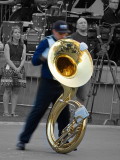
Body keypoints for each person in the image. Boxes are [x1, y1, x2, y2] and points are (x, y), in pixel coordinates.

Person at [16, 20, 71, 151]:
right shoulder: (46, 42)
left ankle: (64, 140)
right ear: (54, 32)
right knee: (38, 111)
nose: (63, 36)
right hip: (47, 83)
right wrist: (45, 55)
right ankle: (23, 140)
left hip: (62, 83)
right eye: (60, 33)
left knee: (64, 114)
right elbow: (34, 61)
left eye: (65, 34)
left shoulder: (68, 43)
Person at [0, 25, 26, 117]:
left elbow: (23, 58)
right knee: (7, 90)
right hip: (10, 67)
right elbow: (7, 59)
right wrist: (15, 68)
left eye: (19, 32)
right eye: (16, 32)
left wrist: (19, 68)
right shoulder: (7, 45)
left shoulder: (23, 45)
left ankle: (13, 112)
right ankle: (6, 112)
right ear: (12, 34)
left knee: (16, 91)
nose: (18, 34)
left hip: (20, 68)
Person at [70, 17, 92, 105]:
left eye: (85, 23)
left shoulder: (91, 37)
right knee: (70, 95)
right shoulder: (73, 37)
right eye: (81, 23)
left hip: (86, 70)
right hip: (74, 69)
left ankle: (79, 117)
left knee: (82, 96)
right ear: (77, 26)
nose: (83, 24)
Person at [101, 0, 120, 65]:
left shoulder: (115, 14)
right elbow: (112, 26)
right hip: (109, 37)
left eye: (117, 2)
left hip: (115, 35)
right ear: (109, 3)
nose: (116, 4)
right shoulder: (108, 13)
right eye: (114, 2)